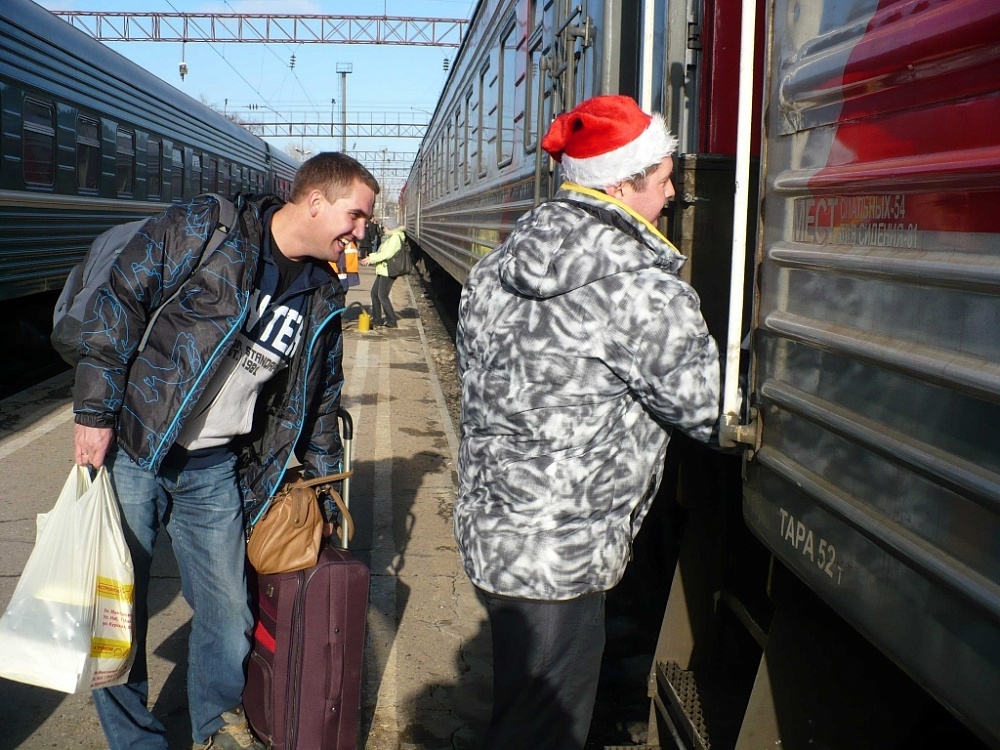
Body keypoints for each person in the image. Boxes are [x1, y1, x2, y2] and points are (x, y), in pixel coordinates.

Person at [72, 152, 378, 750]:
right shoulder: (209, 228)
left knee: (229, 613)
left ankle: (214, 724)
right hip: (136, 447)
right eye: (357, 215)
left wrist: (326, 491)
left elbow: (321, 397)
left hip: (214, 469)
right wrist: (93, 412)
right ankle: (136, 741)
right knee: (116, 612)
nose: (361, 232)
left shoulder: (322, 294)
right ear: (316, 202)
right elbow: (119, 301)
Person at [454, 95, 722, 750]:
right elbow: (709, 411)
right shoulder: (639, 288)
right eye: (663, 182)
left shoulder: (494, 267)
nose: (671, 198)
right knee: (543, 731)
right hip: (563, 555)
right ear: (620, 186)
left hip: (496, 532)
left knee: (521, 712)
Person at [359, 225, 407, 328]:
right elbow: (381, 252)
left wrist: (371, 260)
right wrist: (370, 257)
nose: (383, 229)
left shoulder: (395, 238)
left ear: (391, 227)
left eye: (385, 227)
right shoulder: (390, 238)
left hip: (388, 271)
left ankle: (391, 321)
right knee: (374, 294)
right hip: (383, 270)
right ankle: (377, 320)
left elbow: (387, 254)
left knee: (382, 296)